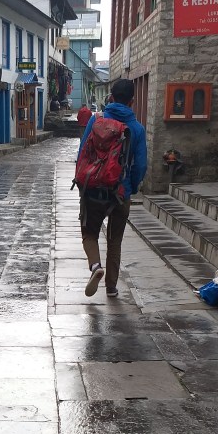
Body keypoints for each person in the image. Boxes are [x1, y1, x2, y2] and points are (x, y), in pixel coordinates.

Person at [76, 77, 147, 298]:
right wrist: (130, 188)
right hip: (120, 192)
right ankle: (111, 287)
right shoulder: (137, 129)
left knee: (89, 233)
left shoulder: (96, 120)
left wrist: (82, 183)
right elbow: (141, 166)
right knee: (115, 241)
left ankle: (96, 266)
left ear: (111, 98)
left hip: (94, 190)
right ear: (132, 101)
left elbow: (82, 153)